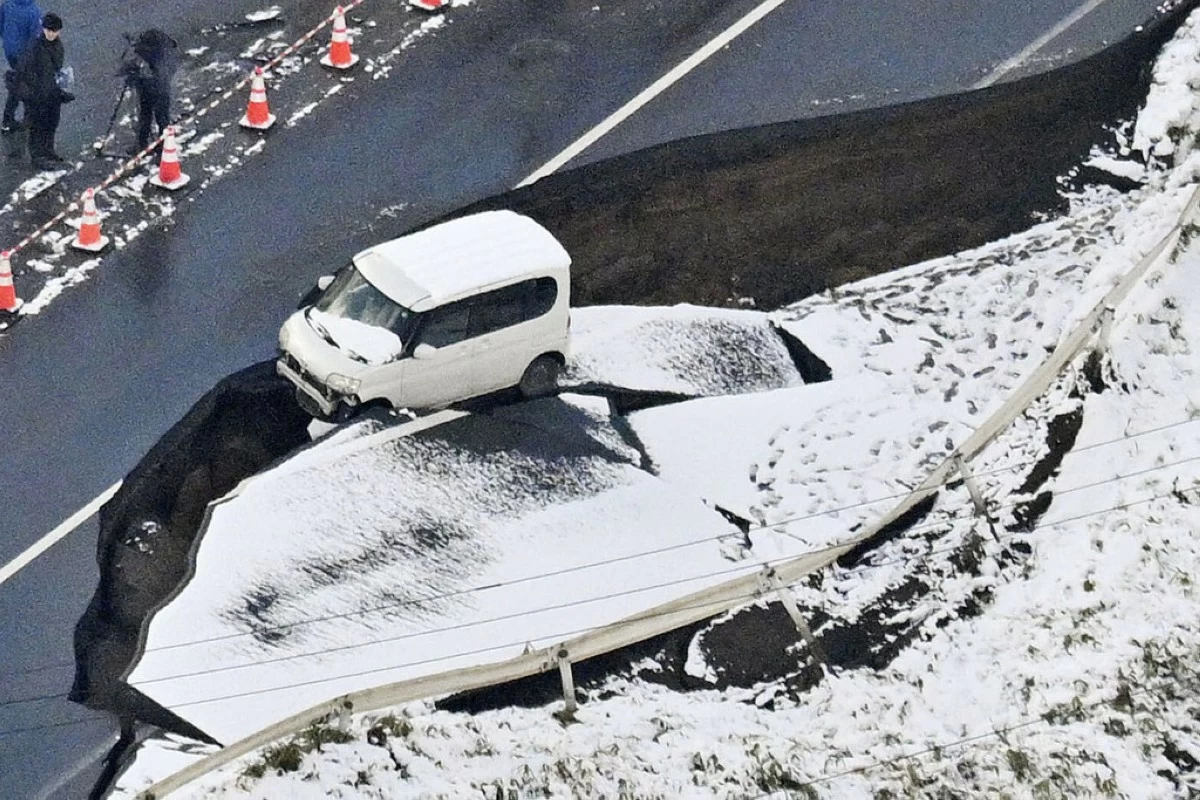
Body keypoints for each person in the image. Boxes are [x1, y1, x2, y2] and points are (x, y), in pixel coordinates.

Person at [16, 12, 71, 169]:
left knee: (51, 122)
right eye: (49, 30)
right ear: (43, 29)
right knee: (37, 125)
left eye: (54, 31)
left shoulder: (58, 46)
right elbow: (24, 70)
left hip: (52, 92)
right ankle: (38, 156)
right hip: (36, 94)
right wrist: (32, 91)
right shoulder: (34, 47)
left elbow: (57, 68)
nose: (51, 34)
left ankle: (48, 150)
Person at [121, 28, 177, 153]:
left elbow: (132, 67)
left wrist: (134, 76)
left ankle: (156, 146)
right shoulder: (164, 51)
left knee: (154, 117)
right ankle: (152, 145)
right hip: (154, 86)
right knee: (154, 117)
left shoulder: (149, 53)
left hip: (155, 87)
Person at [0, 0, 43, 132]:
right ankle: (28, 119)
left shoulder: (7, 5)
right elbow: (35, 39)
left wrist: (8, 41)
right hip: (25, 55)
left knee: (18, 82)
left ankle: (8, 118)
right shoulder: (34, 12)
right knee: (28, 85)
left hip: (10, 52)